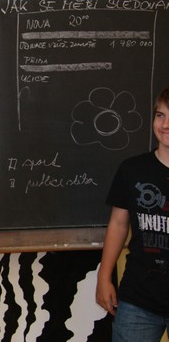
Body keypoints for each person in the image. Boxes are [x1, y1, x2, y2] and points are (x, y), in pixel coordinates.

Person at [96, 86, 169, 342]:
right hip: (138, 299)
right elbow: (118, 224)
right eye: (160, 115)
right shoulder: (132, 169)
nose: (165, 125)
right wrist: (104, 277)